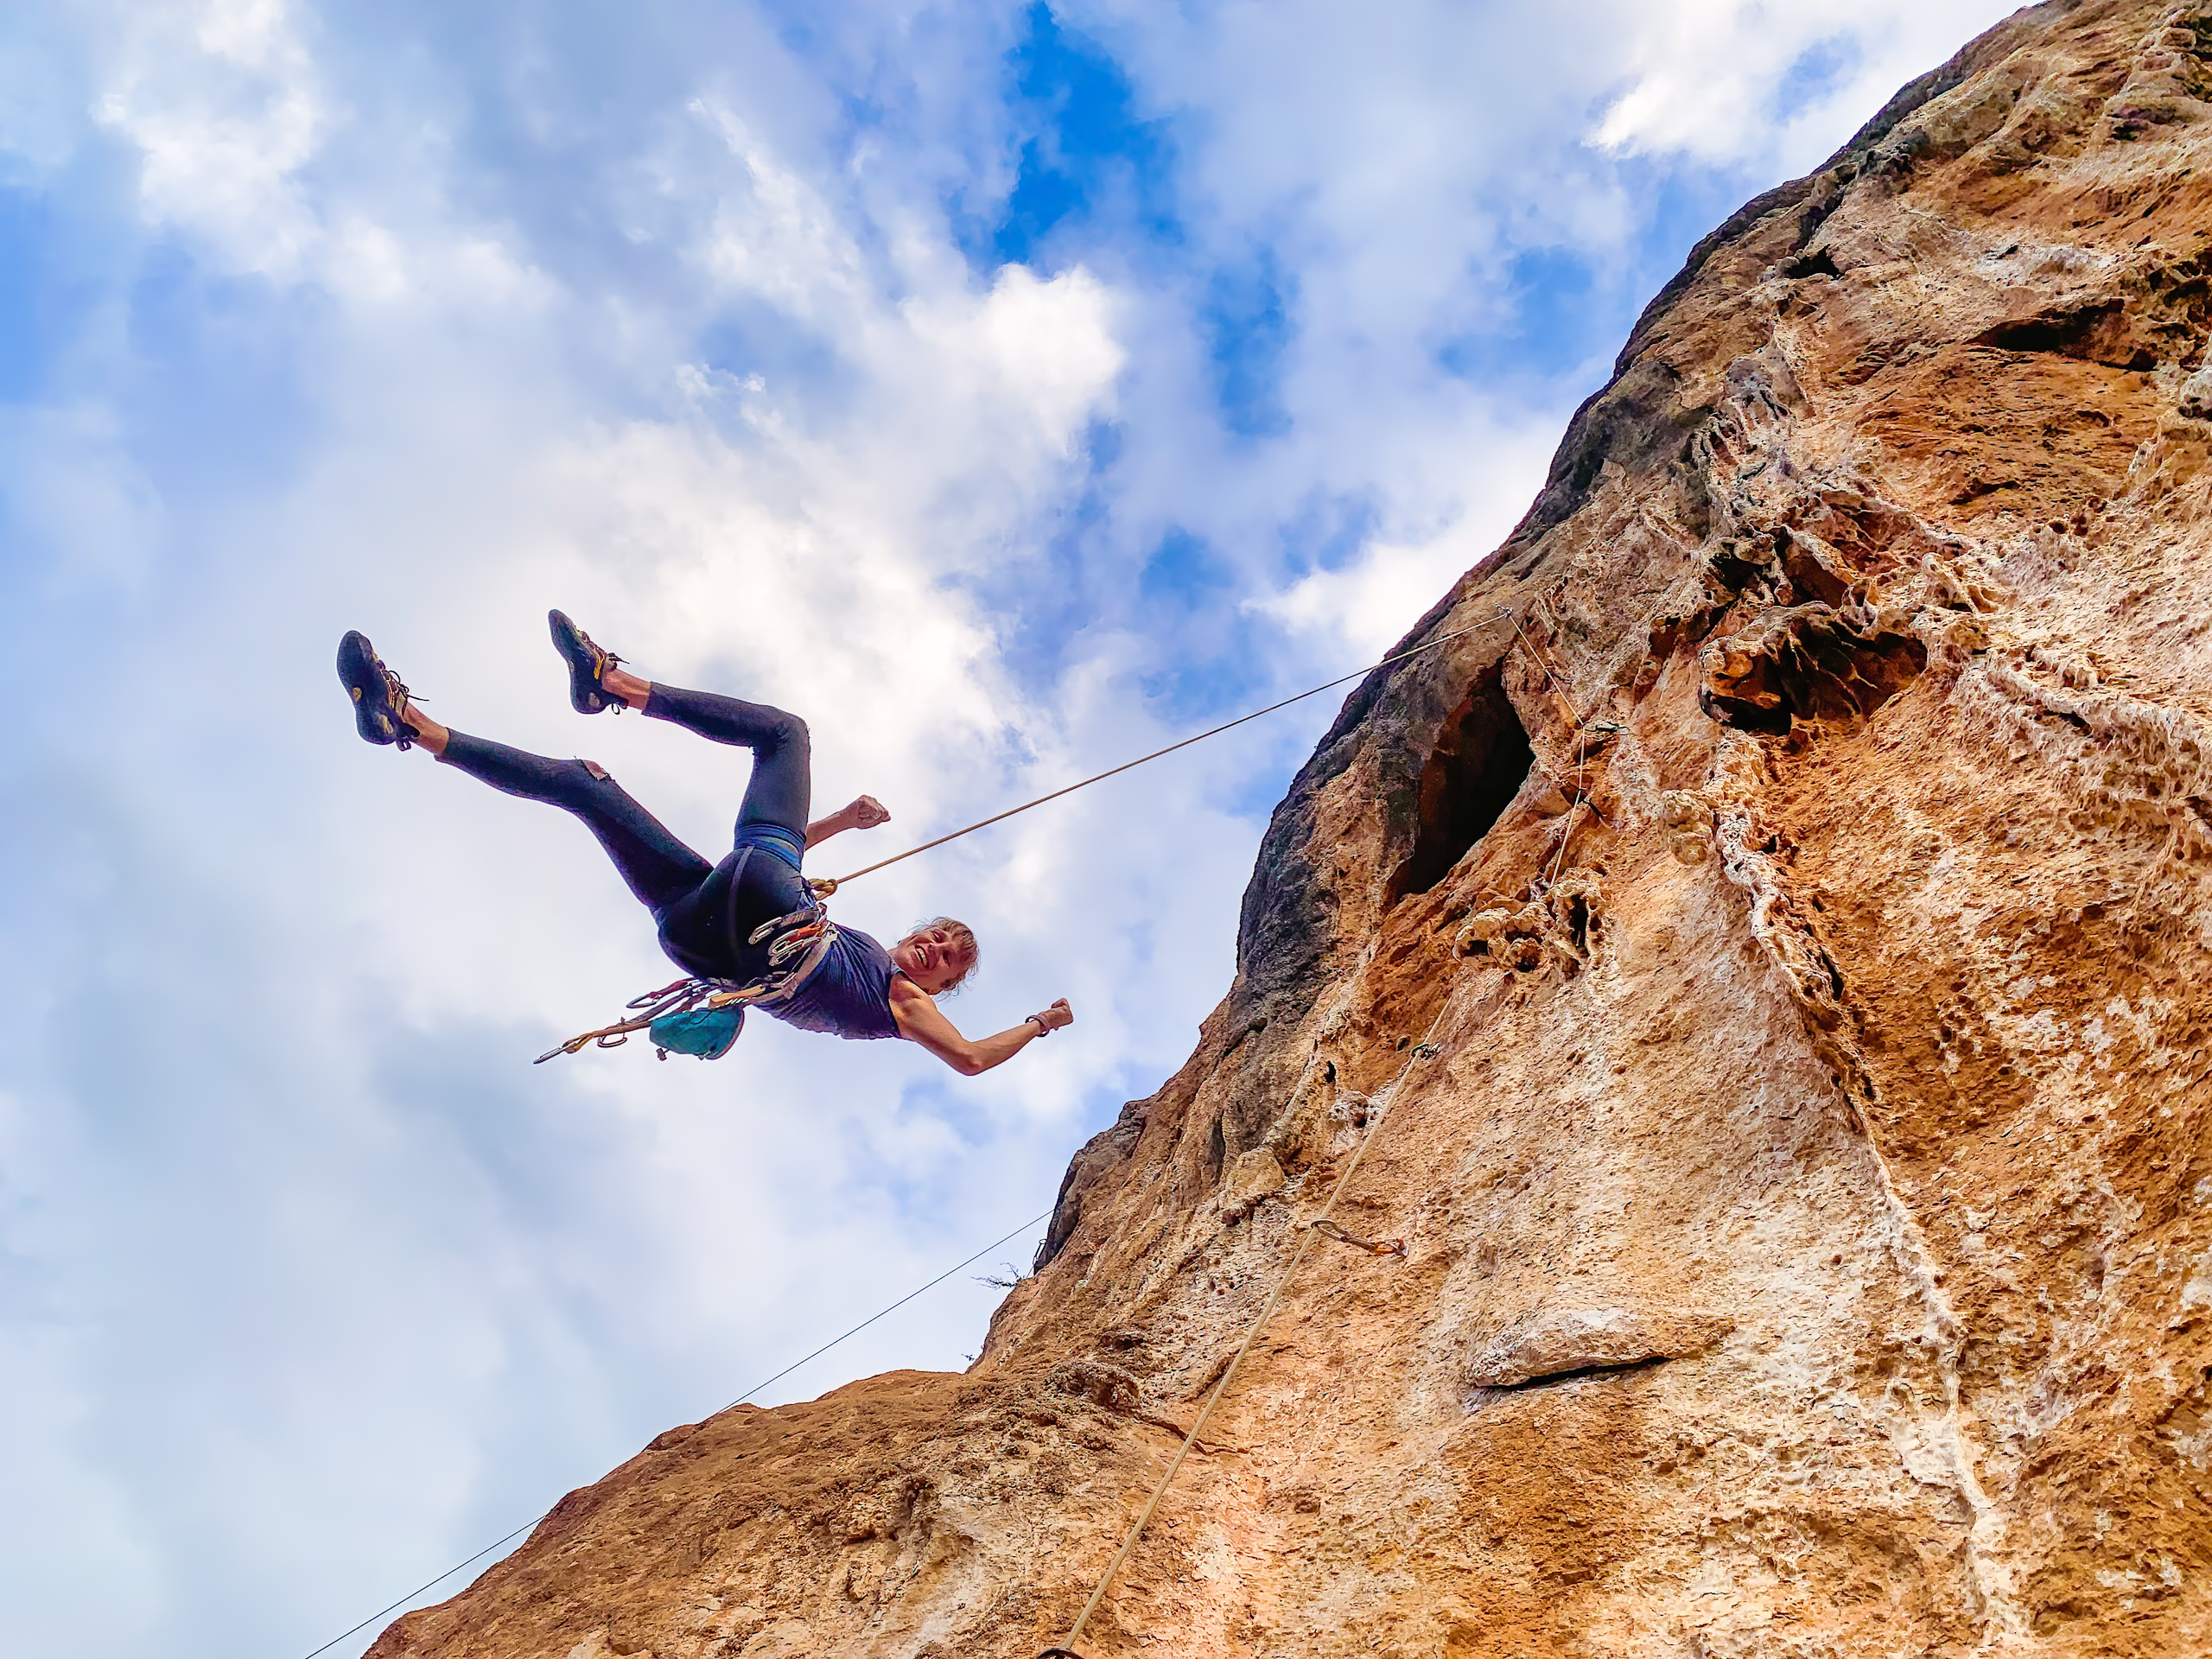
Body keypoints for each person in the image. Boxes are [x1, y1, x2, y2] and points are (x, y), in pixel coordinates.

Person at [335, 613, 1072, 1073]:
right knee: (586, 785)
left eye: (948, 960)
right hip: (704, 923)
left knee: (785, 735)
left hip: (760, 926)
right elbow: (771, 859)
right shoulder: (865, 950)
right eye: (938, 938)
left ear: (940, 987)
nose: (936, 949)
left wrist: (1040, 1024)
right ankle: (411, 728)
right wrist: (842, 823)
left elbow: (972, 1059)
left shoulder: (907, 1005)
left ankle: (612, 684)